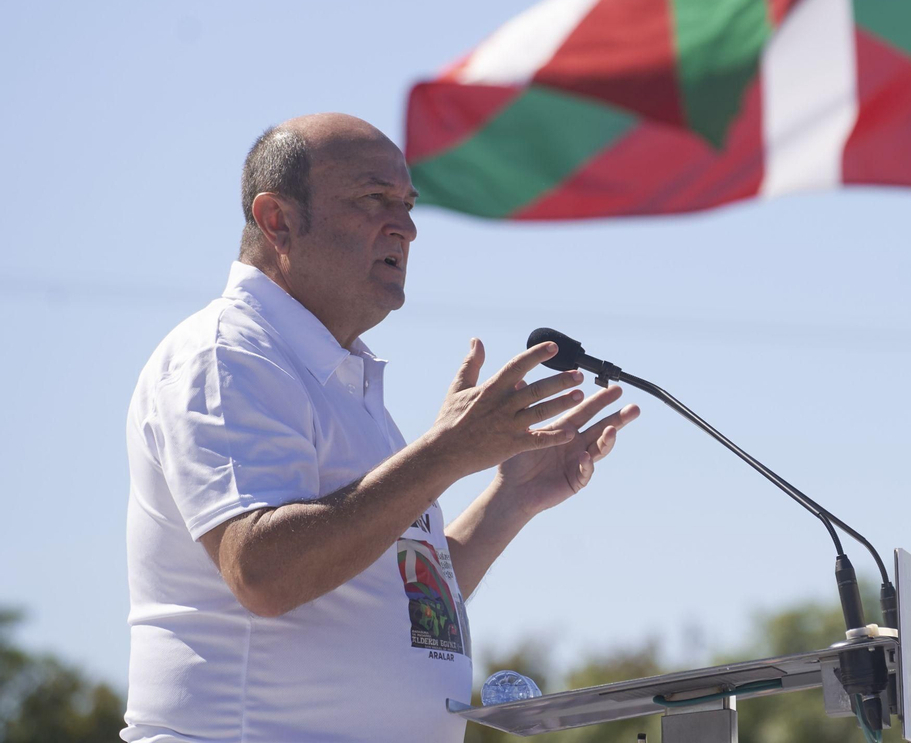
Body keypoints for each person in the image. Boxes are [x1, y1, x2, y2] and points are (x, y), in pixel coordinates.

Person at [123, 113, 639, 743]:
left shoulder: (338, 375)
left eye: (408, 204)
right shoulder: (228, 353)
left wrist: (512, 497)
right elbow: (261, 570)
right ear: (276, 219)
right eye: (373, 200)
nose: (408, 227)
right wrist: (446, 452)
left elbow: (405, 601)